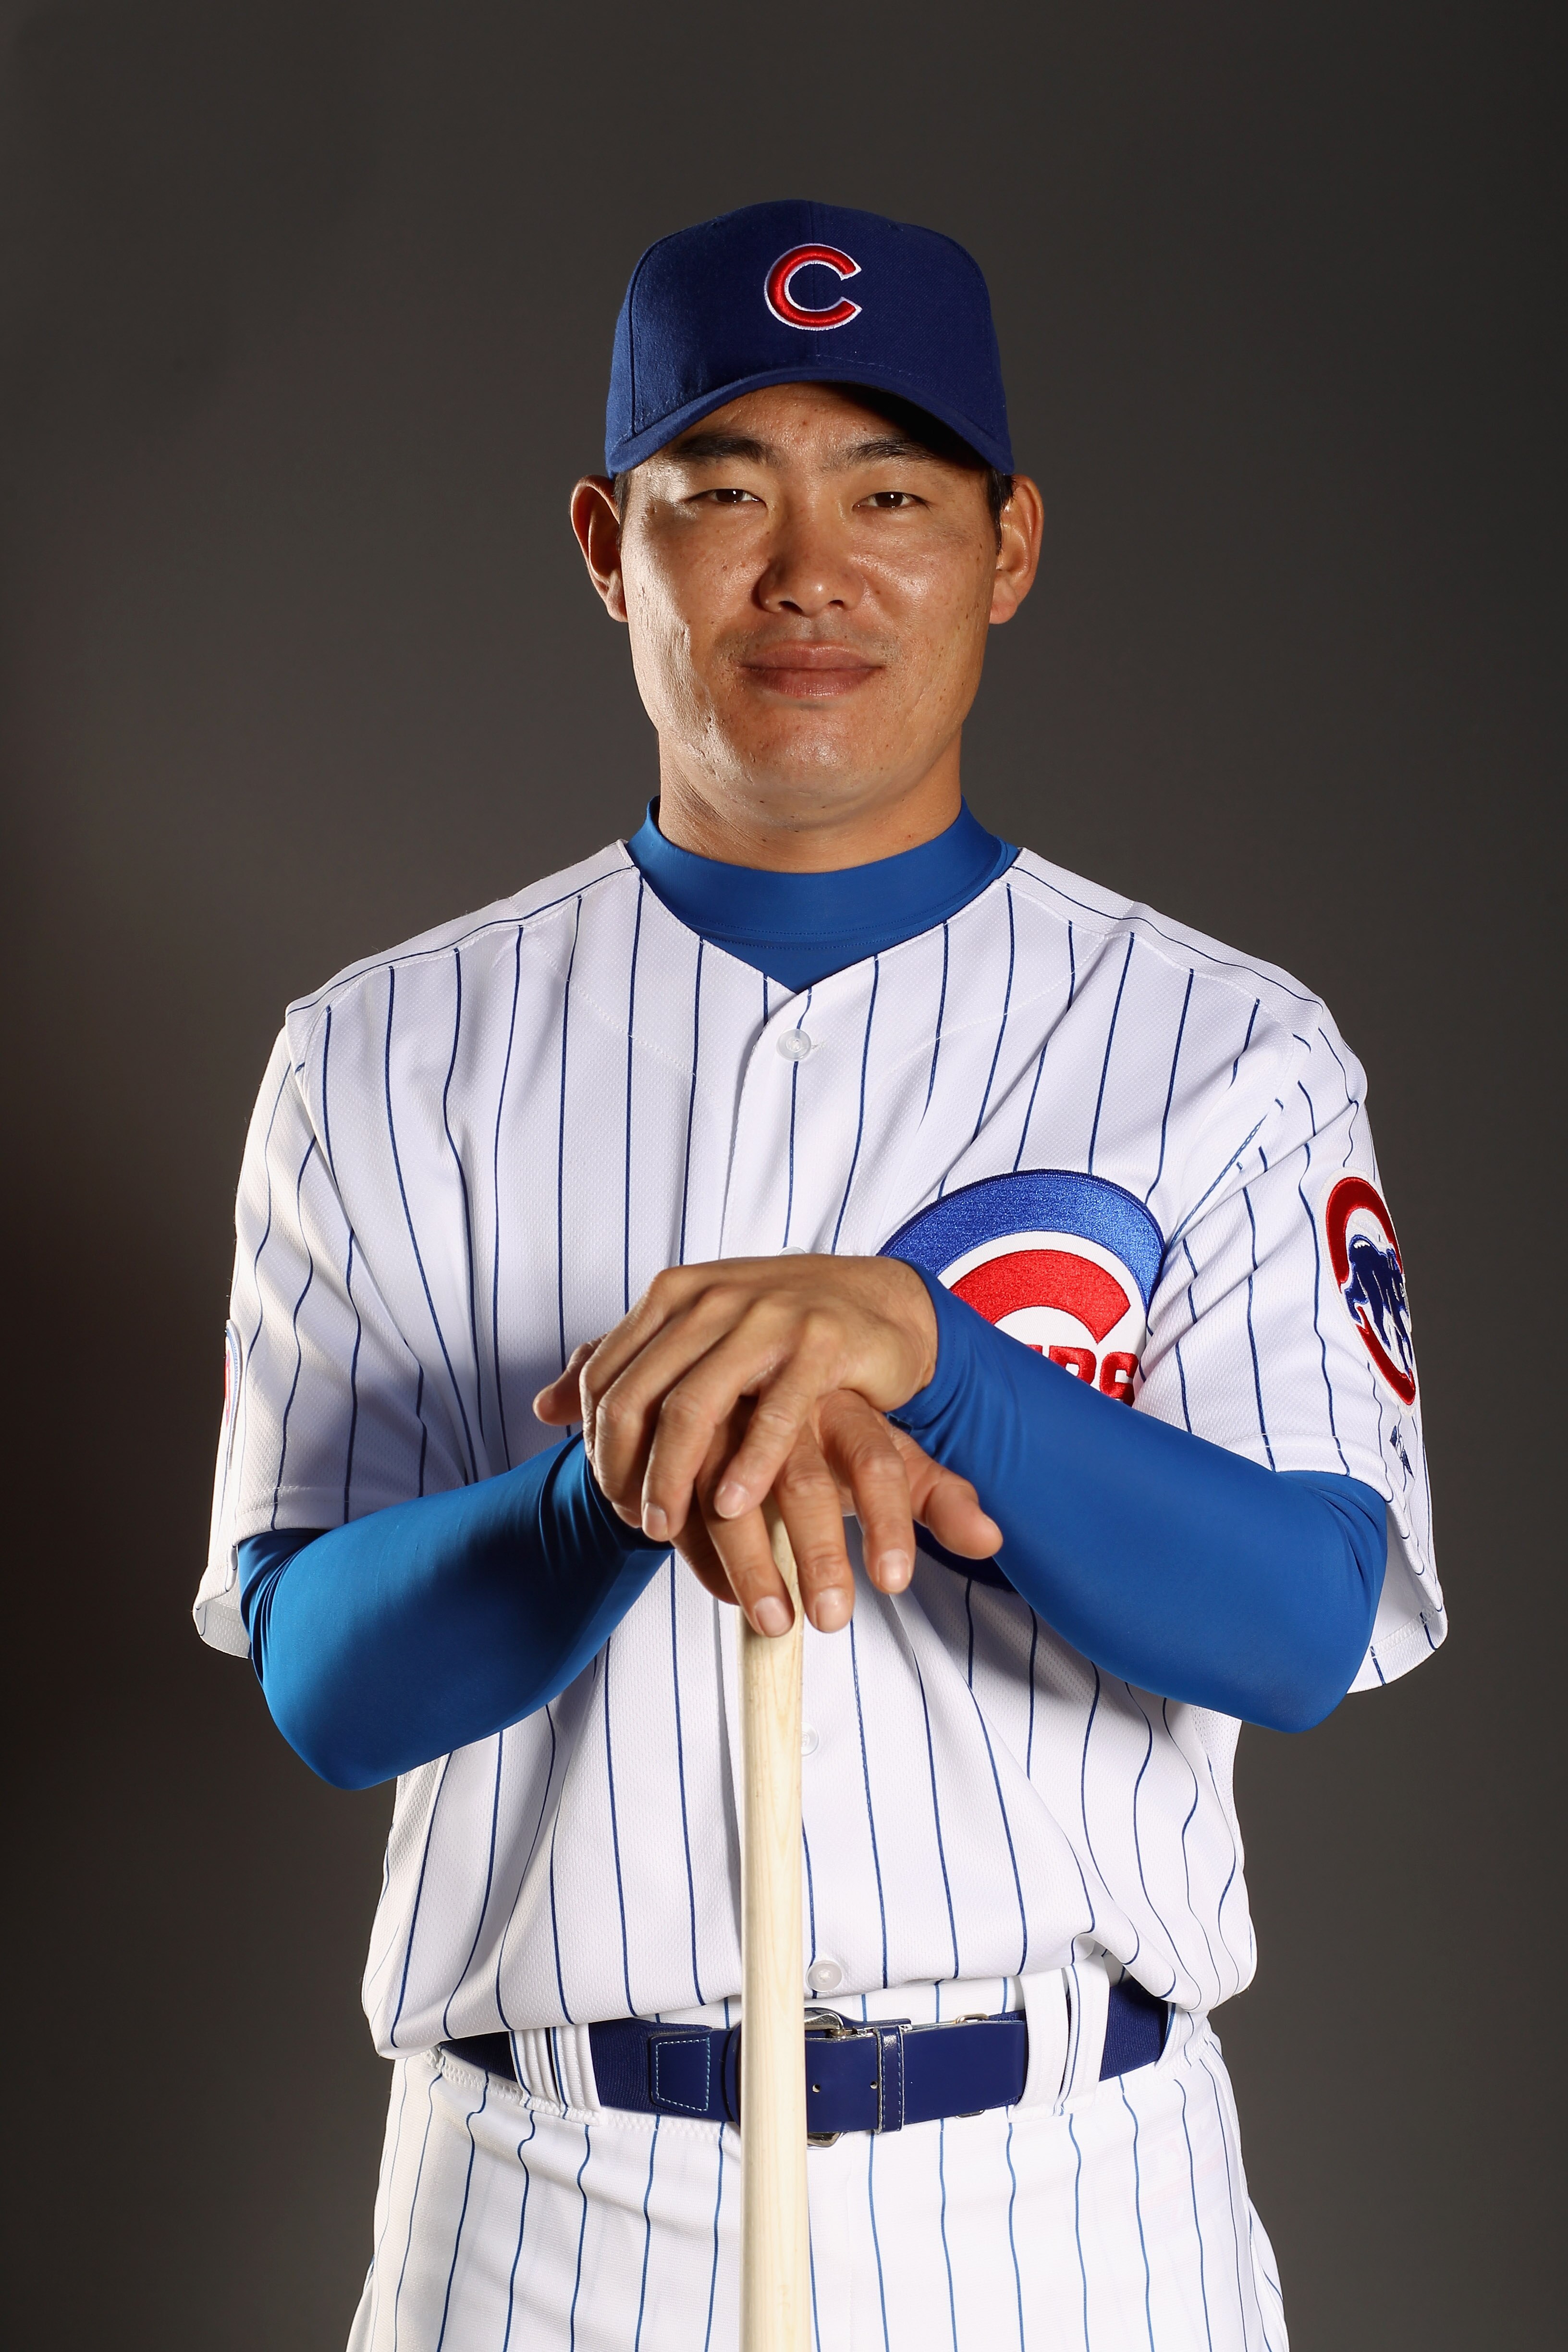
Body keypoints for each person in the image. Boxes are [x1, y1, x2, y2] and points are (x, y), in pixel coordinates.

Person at [196, 200, 1442, 2351]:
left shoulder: (1228, 1048)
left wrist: (944, 1362)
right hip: (548, 2200)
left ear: (1010, 544)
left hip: (1072, 2189)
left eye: (889, 493)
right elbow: (327, 1684)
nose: (810, 573)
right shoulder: (380, 1054)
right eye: (721, 495)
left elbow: (1310, 1620)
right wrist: (619, 1478)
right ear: (609, 544)